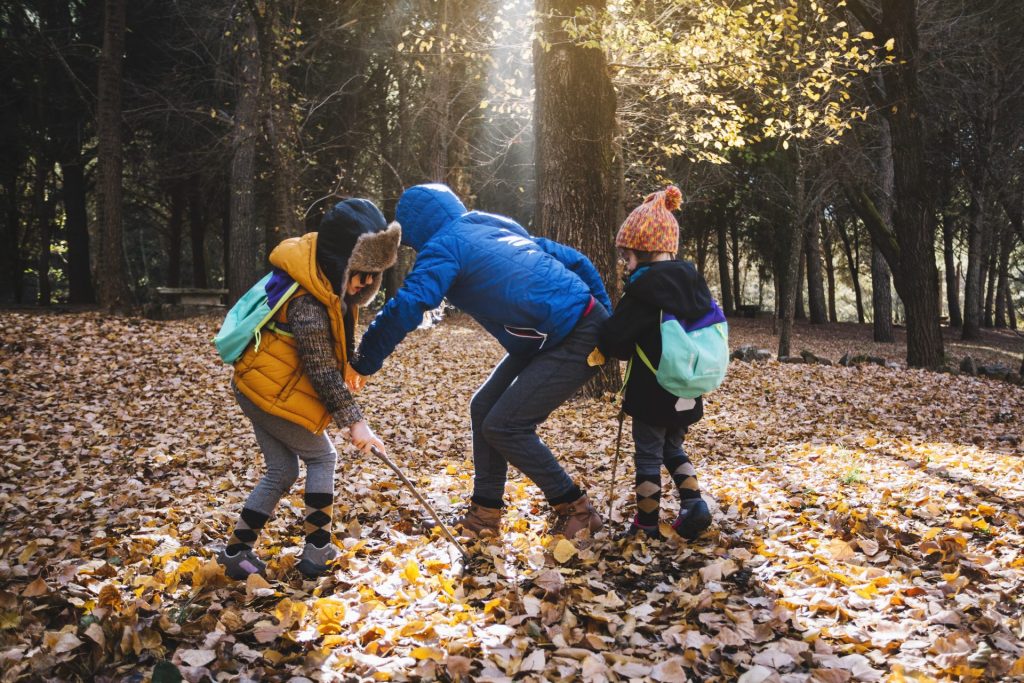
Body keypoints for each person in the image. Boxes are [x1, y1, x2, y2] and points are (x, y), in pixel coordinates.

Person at [347, 183, 613, 543]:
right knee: (484, 407)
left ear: (417, 229)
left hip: (577, 333)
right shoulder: (492, 225)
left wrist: (365, 360)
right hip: (557, 332)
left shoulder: (442, 245)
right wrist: (603, 310)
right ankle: (484, 514)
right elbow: (575, 259)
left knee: (505, 426)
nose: (414, 249)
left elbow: (410, 303)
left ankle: (577, 509)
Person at [217, 199, 400, 580]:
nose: (366, 284)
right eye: (360, 273)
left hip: (259, 385)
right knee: (323, 458)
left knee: (282, 470)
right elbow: (320, 371)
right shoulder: (308, 302)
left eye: (373, 276)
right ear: (340, 262)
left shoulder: (327, 287)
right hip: (267, 391)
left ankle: (236, 553)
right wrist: (356, 423)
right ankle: (318, 551)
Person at [597, 186, 716, 540]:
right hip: (689, 387)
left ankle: (646, 524)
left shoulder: (643, 291)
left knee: (648, 455)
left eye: (629, 256)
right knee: (673, 447)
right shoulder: (694, 284)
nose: (627, 264)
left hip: (653, 391)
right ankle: (694, 504)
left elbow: (615, 341)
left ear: (645, 251)